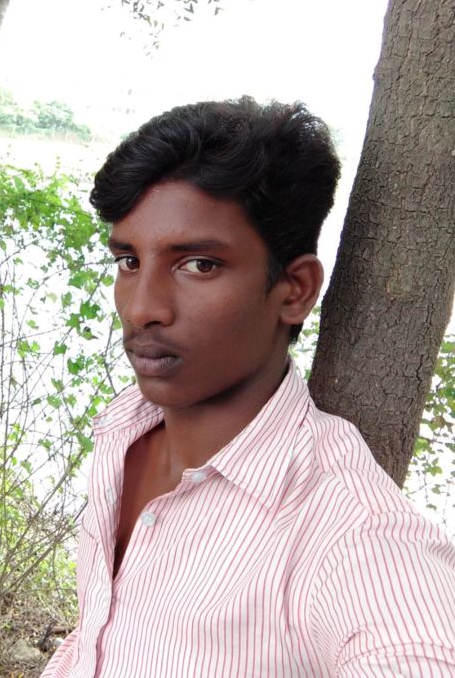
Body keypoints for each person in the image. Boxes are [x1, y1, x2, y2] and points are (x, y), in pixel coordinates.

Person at [42, 97, 455, 677]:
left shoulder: (350, 532)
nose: (141, 308)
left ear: (295, 290)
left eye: (199, 265)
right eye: (129, 261)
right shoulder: (126, 428)